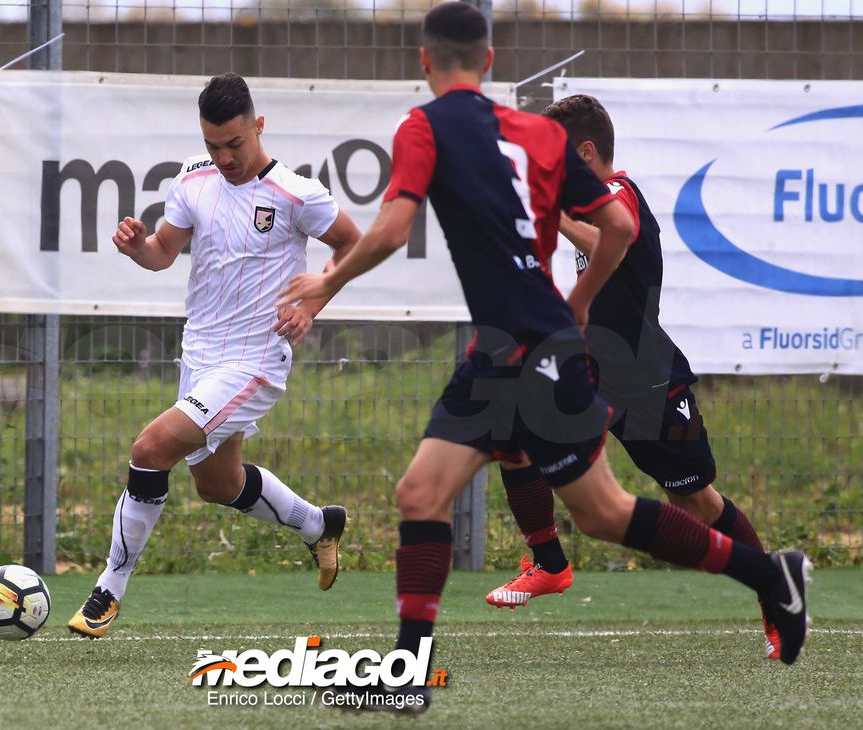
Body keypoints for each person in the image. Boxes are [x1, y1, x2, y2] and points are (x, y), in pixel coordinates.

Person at [277, 1, 810, 711]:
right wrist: (581, 301)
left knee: (606, 512)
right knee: (422, 493)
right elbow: (617, 224)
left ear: (425, 61)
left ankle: (770, 575)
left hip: (530, 350)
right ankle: (406, 680)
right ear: (490, 62)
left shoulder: (423, 125)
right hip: (511, 345)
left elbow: (393, 227)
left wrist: (324, 284)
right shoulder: (535, 135)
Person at [484, 93, 781, 660]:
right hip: (590, 369)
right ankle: (548, 563)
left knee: (697, 502)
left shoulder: (617, 194)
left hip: (646, 381)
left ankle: (775, 594)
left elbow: (609, 244)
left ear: (587, 151)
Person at [68, 72, 361, 638]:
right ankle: (319, 525)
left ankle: (109, 587)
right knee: (218, 486)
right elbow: (161, 254)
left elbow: (351, 244)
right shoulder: (193, 179)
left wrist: (315, 299)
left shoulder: (298, 194)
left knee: (150, 449)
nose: (224, 157)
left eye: (234, 144)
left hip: (255, 362)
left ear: (258, 125)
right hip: (199, 356)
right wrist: (137, 250)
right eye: (213, 146)